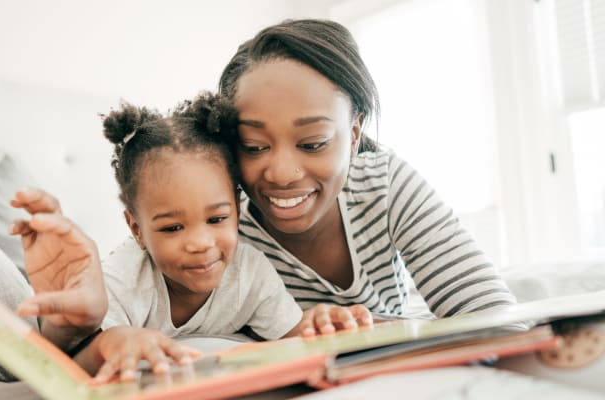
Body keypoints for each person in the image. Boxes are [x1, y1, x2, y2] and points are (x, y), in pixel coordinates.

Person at [11, 91, 372, 382]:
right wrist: (114, 341)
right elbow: (77, 359)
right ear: (137, 229)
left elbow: (293, 338)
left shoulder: (250, 271)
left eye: (217, 218)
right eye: (172, 227)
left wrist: (317, 324)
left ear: (237, 208)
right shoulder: (124, 279)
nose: (200, 243)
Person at [215, 18, 517, 319]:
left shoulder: (384, 186)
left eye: (312, 143)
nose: (281, 173)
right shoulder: (219, 223)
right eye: (252, 146)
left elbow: (493, 315)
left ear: (354, 135)